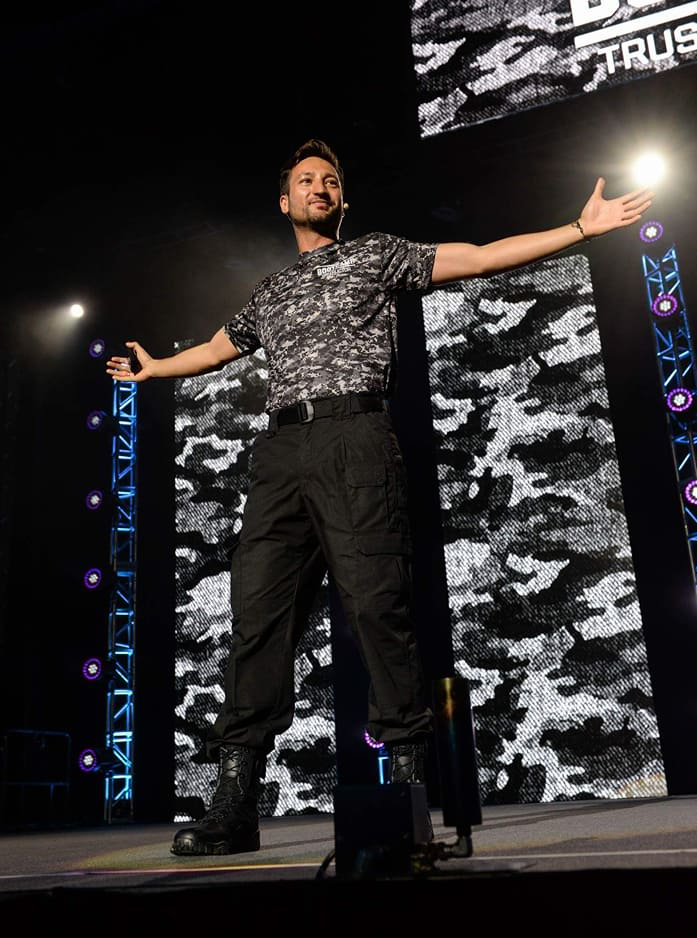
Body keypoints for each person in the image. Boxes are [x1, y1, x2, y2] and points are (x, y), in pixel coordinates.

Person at [107, 139, 653, 856]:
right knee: (257, 622)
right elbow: (216, 348)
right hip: (281, 454)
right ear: (284, 200)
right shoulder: (270, 290)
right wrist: (156, 370)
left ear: (342, 199)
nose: (319, 187)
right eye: (306, 180)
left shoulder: (375, 254)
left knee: (376, 609)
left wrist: (579, 229)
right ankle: (234, 807)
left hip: (356, 439)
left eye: (331, 180)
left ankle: (406, 796)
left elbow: (477, 257)